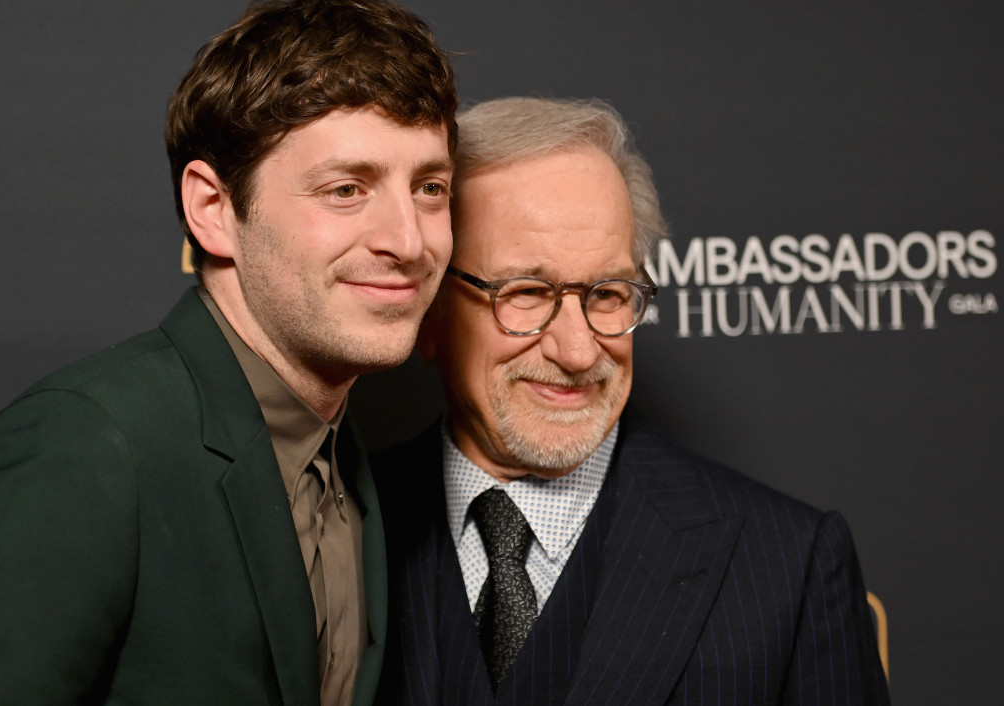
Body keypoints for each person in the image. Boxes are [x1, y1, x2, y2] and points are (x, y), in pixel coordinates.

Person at [0, 0, 457, 705]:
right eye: (346, 189)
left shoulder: (346, 460)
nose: (407, 240)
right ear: (213, 211)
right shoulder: (85, 445)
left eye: (430, 187)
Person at [375, 97, 890, 704]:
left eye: (608, 293)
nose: (577, 350)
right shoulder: (336, 524)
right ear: (429, 309)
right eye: (526, 292)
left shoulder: (788, 564)